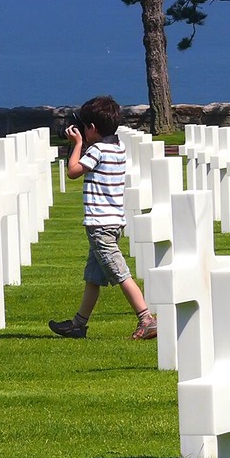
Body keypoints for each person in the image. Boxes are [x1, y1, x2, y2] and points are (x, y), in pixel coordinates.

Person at [48, 95, 157, 340]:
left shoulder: (96, 150)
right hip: (113, 221)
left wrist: (77, 144)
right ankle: (78, 324)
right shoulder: (117, 148)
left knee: (120, 273)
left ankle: (146, 318)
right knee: (93, 278)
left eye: (84, 127)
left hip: (100, 224)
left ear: (92, 129)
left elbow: (73, 171)